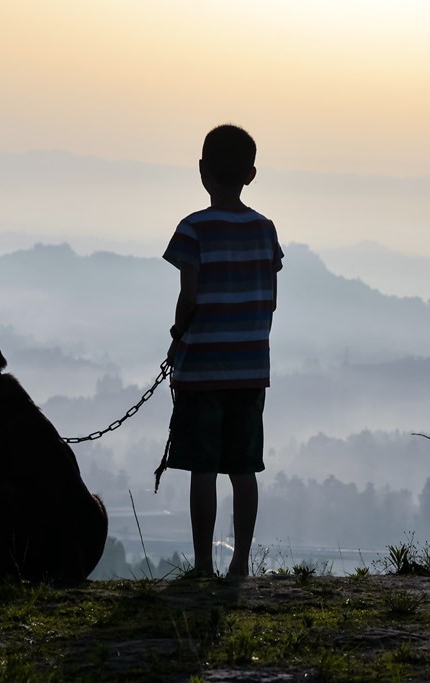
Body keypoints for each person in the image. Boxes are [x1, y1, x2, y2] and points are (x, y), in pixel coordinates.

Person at [160, 124, 283, 578]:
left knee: (203, 469)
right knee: (244, 469)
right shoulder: (265, 230)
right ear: (251, 174)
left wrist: (177, 336)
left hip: (202, 370)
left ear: (202, 171)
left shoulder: (193, 229)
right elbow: (271, 299)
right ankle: (241, 563)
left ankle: (202, 566)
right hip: (250, 370)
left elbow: (189, 297)